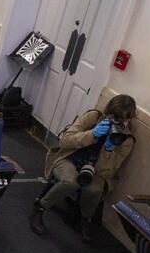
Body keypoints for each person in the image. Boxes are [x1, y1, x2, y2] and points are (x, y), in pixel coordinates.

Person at [30, 94, 136, 242]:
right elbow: (64, 142)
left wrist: (108, 150)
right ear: (108, 112)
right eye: (114, 117)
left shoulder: (126, 140)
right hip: (70, 159)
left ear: (129, 120)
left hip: (96, 171)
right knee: (71, 181)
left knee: (95, 189)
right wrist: (91, 134)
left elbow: (109, 171)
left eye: (123, 119)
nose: (117, 122)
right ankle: (40, 207)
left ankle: (85, 219)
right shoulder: (94, 117)